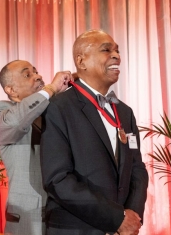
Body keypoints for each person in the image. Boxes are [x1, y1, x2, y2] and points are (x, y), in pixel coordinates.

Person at [40, 29, 149, 235]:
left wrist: (132, 215)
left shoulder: (125, 112)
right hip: (76, 228)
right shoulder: (58, 107)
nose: (116, 55)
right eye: (106, 50)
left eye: (117, 50)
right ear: (81, 62)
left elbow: (137, 168)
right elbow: (57, 179)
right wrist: (116, 218)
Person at [0, 60, 74, 235]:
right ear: (10, 90)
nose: (38, 76)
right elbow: (15, 122)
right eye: (28, 74)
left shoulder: (53, 110)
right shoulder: (3, 110)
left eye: (36, 71)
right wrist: (50, 89)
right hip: (29, 219)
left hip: (65, 212)